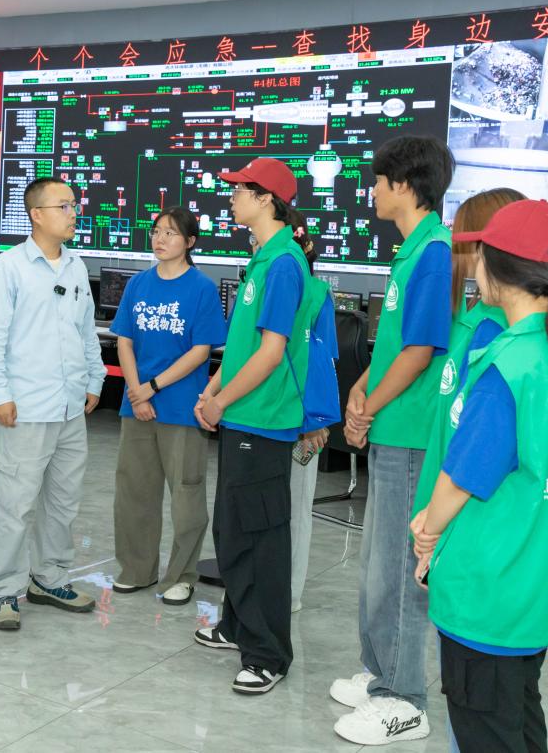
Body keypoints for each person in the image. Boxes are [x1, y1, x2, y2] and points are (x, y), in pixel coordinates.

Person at [411, 199, 548, 751]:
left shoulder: (507, 365)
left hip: (487, 598)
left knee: (487, 732)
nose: (473, 263)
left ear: (501, 271)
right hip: (534, 594)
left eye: (481, 253)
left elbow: (463, 475)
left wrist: (428, 530)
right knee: (519, 722)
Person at [333, 136, 453, 745]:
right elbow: (390, 348)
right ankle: (381, 671)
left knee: (401, 569)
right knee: (377, 566)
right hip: (390, 427)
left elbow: (421, 350)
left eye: (378, 181)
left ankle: (405, 698)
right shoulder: (410, 252)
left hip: (410, 434)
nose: (372, 191)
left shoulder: (434, 251)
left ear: (404, 185)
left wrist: (370, 406)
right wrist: (360, 393)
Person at [192, 157, 327, 695]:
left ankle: (268, 653)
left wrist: (221, 401)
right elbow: (243, 345)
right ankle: (236, 625)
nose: (231, 198)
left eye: (240, 190)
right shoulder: (263, 259)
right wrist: (213, 389)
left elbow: (272, 353)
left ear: (266, 198)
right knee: (233, 530)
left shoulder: (285, 265)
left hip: (263, 419)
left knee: (260, 540)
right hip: (242, 414)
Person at [0, 177, 106, 631]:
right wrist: (0, 393)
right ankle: (4, 590)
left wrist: (95, 379)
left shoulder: (75, 266)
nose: (73, 213)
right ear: (36, 214)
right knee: (15, 503)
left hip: (70, 407)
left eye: (74, 205)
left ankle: (49, 578)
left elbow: (86, 331)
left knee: (63, 502)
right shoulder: (8, 268)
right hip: (26, 407)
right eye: (63, 206)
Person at [110, 206, 227, 605]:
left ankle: (181, 575)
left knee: (186, 495)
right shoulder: (138, 284)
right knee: (134, 492)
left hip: (180, 408)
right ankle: (136, 569)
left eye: (171, 233)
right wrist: (136, 391)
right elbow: (124, 340)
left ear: (190, 242)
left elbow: (200, 351)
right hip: (137, 406)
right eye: (157, 231)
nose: (160, 239)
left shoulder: (202, 289)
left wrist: (153, 387)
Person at [288, 233, 340, 614]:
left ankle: (289, 591)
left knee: (296, 506)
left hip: (302, 421)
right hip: (261, 418)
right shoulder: (258, 283)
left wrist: (316, 420)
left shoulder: (318, 295)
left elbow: (323, 361)